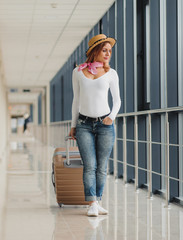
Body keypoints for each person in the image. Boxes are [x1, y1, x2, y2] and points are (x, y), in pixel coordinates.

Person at [68, 34, 121, 217]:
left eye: (110, 51)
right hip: (83, 124)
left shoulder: (111, 73)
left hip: (105, 125)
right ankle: (91, 202)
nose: (108, 54)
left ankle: (97, 200)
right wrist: (73, 125)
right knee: (89, 165)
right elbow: (76, 100)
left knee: (102, 165)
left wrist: (111, 117)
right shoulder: (77, 72)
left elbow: (117, 101)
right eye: (104, 50)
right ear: (94, 51)